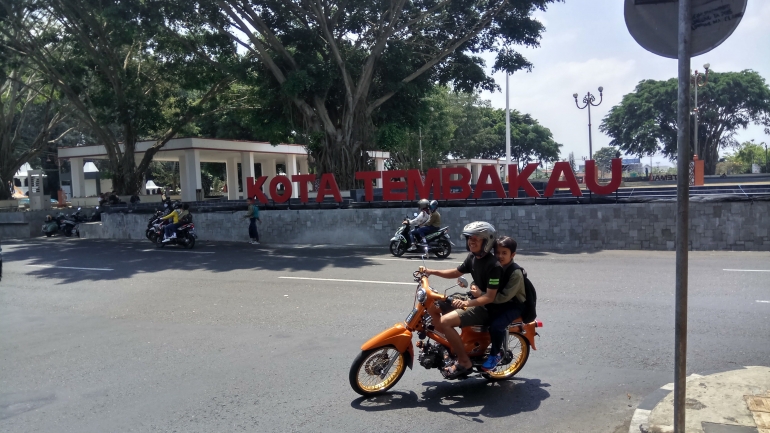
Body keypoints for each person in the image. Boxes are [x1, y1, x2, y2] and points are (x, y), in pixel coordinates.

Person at [423, 221, 502, 379]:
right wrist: (431, 271)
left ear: (487, 242)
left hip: (487, 307)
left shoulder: (494, 266)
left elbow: (489, 297)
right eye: (469, 238)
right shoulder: (473, 257)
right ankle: (448, 344)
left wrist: (466, 303)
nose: (471, 241)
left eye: (476, 239)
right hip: (473, 298)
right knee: (433, 305)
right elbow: (456, 272)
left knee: (445, 321)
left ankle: (464, 362)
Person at [481, 236, 526, 371]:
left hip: (514, 305)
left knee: (496, 326)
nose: (500, 256)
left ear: (513, 255)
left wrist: (483, 296)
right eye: (497, 252)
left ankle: (495, 354)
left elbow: (504, 297)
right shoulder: (495, 267)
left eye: (504, 253)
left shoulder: (515, 273)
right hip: (498, 300)